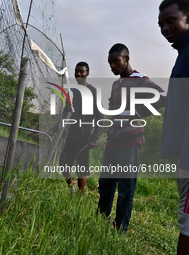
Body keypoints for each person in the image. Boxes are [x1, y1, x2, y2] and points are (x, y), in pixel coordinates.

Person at [97, 43, 166, 233]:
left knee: (126, 188)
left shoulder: (139, 79)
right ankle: (101, 221)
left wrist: (136, 113)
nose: (112, 66)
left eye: (116, 61)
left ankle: (120, 230)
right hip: (113, 141)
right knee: (105, 183)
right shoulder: (115, 84)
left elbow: (163, 96)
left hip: (130, 142)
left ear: (126, 59)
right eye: (110, 63)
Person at [158, 0, 189, 253]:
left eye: (170, 20)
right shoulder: (183, 54)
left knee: (187, 220)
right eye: (161, 24)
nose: (165, 28)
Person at [50, 62, 103, 193]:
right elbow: (65, 114)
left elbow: (101, 118)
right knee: (63, 164)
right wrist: (55, 129)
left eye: (82, 71)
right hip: (69, 135)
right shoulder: (71, 92)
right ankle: (71, 188)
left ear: (87, 73)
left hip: (85, 138)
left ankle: (80, 196)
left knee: (82, 169)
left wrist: (94, 138)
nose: (78, 74)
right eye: (77, 71)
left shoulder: (93, 92)